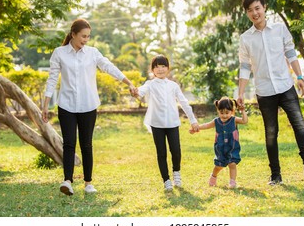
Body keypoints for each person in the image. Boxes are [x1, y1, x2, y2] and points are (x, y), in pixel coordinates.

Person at [237, 0, 304, 185]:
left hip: (286, 86)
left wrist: (299, 76)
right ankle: (275, 175)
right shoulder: (246, 39)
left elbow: (291, 53)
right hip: (265, 91)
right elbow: (245, 67)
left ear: (264, 7)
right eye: (250, 10)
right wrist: (241, 93)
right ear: (247, 13)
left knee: (299, 124)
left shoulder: (279, 28)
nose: (255, 13)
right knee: (271, 132)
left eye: (257, 8)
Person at [42, 18, 137, 195]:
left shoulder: (92, 53)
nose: (86, 40)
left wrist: (128, 82)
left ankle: (88, 183)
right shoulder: (59, 53)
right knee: (69, 144)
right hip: (67, 105)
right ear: (73, 34)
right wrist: (45, 104)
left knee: (86, 144)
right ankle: (67, 181)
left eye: (88, 37)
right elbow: (52, 79)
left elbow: (109, 67)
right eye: (83, 36)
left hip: (88, 104)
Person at [136, 55, 199, 191]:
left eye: (163, 66)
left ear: (168, 69)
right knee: (161, 153)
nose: (160, 69)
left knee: (176, 151)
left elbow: (184, 102)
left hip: (172, 123)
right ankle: (166, 180)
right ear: (152, 69)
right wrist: (135, 92)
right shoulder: (150, 84)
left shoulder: (173, 85)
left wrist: (193, 120)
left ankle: (176, 173)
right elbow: (140, 92)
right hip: (157, 124)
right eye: (157, 67)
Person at [190, 97, 248, 188]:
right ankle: (213, 176)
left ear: (232, 111)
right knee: (219, 165)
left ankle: (232, 182)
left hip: (232, 147)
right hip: (220, 148)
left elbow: (244, 121)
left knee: (232, 163)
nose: (224, 115)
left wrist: (243, 111)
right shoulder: (216, 121)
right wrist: (196, 128)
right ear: (218, 111)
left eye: (227, 113)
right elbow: (206, 125)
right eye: (221, 113)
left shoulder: (234, 120)